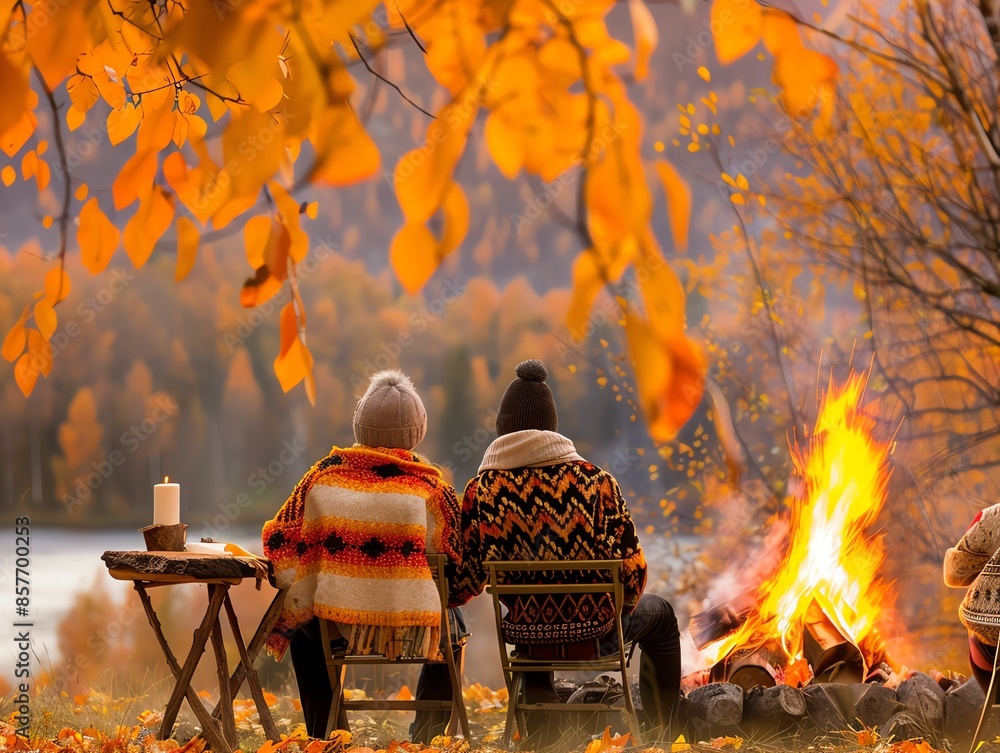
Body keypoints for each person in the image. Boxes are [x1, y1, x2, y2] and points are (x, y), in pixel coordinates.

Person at [451, 359, 682, 741]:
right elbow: (634, 573)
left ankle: (542, 740)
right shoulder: (596, 482)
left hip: (526, 635)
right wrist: (616, 612)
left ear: (502, 427)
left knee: (530, 624)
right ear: (552, 426)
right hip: (598, 636)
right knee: (663, 615)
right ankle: (661, 736)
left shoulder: (482, 490)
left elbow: (467, 581)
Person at [262, 369, 467, 742]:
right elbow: (457, 566)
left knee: (305, 625)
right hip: (412, 629)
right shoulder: (433, 490)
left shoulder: (321, 477)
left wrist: (325, 572)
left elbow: (280, 539)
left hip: (336, 626)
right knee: (454, 625)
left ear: (360, 426)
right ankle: (427, 738)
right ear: (416, 431)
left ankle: (330, 736)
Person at [944, 502, 1000, 698]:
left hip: (992, 652)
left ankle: (996, 709)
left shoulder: (992, 517)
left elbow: (954, 574)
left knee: (979, 625)